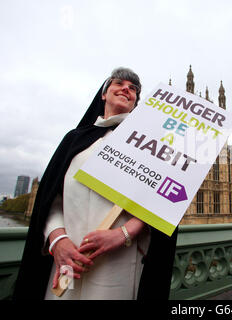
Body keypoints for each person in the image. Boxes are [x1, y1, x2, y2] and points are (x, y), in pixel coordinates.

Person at [14, 67, 178, 300]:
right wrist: (58, 240)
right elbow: (52, 200)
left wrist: (123, 233)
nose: (126, 89)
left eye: (133, 89)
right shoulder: (75, 138)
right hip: (69, 259)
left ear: (137, 102)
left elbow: (160, 201)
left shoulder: (152, 145)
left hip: (120, 259)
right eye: (119, 83)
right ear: (103, 93)